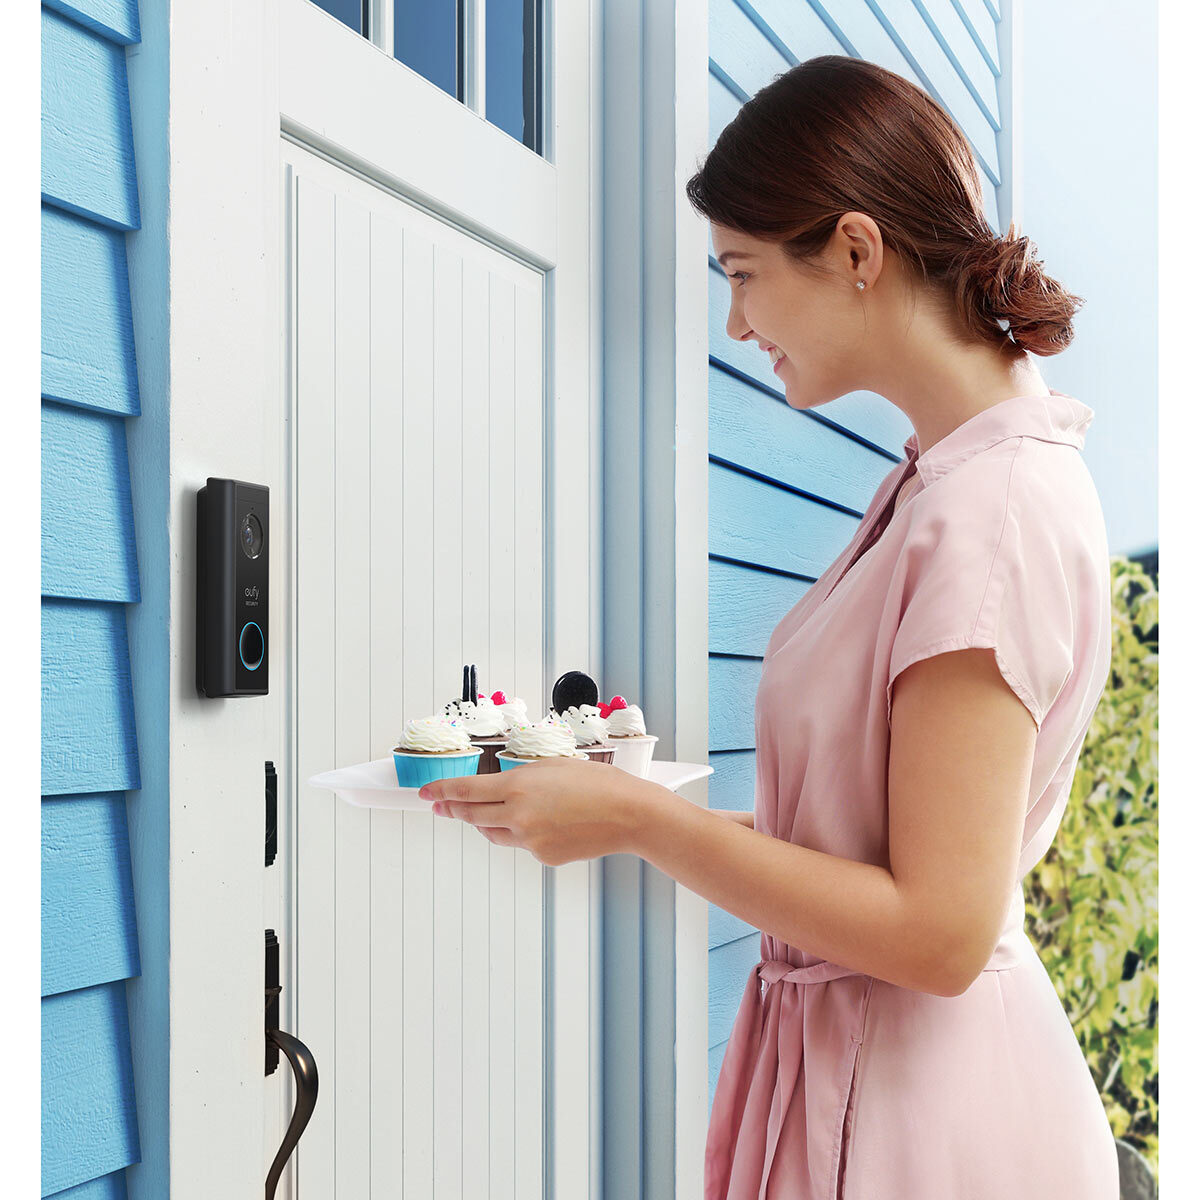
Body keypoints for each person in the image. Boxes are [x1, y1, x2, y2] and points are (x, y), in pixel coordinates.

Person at [422, 54, 1119, 1199]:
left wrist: (641, 821)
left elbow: (941, 930)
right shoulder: (944, 482)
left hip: (930, 1127)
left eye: (742, 276)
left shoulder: (991, 515)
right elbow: (881, 832)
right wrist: (616, 808)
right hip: (875, 1083)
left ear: (855, 251)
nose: (737, 324)